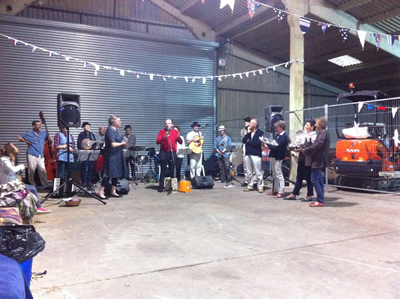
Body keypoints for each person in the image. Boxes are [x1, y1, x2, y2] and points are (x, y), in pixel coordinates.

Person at [0, 143, 40, 222]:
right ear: (10, 152)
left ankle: (38, 206)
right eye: (15, 153)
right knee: (32, 189)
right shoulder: (3, 160)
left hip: (13, 183)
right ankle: (38, 207)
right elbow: (12, 170)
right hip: (8, 185)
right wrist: (21, 166)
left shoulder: (7, 160)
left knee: (32, 188)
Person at [284, 120, 317, 201]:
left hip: (308, 159)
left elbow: (312, 148)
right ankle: (294, 193)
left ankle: (309, 195)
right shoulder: (303, 135)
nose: (305, 126)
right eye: (305, 125)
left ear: (312, 127)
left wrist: (302, 149)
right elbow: (297, 143)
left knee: (308, 178)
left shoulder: (314, 136)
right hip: (302, 158)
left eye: (307, 125)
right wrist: (292, 147)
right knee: (299, 176)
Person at [302, 117, 330, 207]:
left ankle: (320, 200)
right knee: (319, 179)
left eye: (316, 123)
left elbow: (317, 145)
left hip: (319, 159)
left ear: (321, 124)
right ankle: (320, 199)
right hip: (319, 158)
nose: (315, 125)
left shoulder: (322, 133)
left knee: (314, 179)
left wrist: (306, 150)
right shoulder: (322, 133)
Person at [98, 115, 128, 199]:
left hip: (117, 154)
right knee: (108, 173)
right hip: (111, 155)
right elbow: (113, 144)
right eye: (119, 121)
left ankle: (113, 190)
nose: (120, 122)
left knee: (116, 173)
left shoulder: (115, 130)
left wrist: (122, 142)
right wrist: (122, 143)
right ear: (114, 122)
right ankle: (101, 191)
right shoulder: (110, 130)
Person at [17, 120, 50, 188]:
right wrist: (26, 141)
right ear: (34, 126)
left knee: (42, 170)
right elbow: (19, 137)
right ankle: (32, 184)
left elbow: (48, 138)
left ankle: (45, 184)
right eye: (38, 125)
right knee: (31, 170)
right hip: (32, 153)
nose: (40, 126)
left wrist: (48, 140)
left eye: (40, 125)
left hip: (40, 154)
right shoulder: (29, 133)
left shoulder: (43, 133)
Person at [156, 119, 182, 192]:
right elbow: (157, 141)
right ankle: (161, 186)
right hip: (164, 152)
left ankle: (171, 186)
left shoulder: (175, 132)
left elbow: (180, 142)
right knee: (163, 169)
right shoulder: (162, 132)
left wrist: (179, 137)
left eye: (169, 123)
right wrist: (164, 137)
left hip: (172, 152)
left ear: (172, 125)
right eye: (166, 123)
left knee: (172, 169)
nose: (167, 125)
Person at [265, 120, 289, 198]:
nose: (276, 129)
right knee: (275, 174)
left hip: (279, 157)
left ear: (281, 127)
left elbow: (277, 147)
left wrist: (267, 146)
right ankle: (275, 189)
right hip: (274, 156)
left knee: (279, 174)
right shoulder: (278, 136)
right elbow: (274, 144)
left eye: (277, 127)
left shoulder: (284, 137)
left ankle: (281, 191)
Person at [242, 119, 265, 193]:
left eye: (251, 123)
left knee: (258, 171)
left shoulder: (260, 133)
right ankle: (250, 185)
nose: (249, 124)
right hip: (248, 154)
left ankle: (260, 186)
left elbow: (257, 143)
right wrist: (248, 134)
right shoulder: (249, 133)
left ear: (255, 125)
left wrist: (249, 142)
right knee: (249, 172)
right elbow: (244, 140)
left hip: (256, 154)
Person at [54, 126, 76, 198]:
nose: (65, 129)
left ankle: (67, 191)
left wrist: (71, 148)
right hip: (62, 156)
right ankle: (61, 192)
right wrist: (64, 146)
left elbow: (73, 145)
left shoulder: (70, 135)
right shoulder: (58, 134)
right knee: (61, 174)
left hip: (69, 156)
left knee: (68, 174)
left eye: (66, 128)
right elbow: (56, 146)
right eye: (63, 128)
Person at [77, 122, 96, 191]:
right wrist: (83, 150)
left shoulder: (92, 134)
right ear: (83, 127)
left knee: (91, 167)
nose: (88, 127)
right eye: (86, 126)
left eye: (88, 126)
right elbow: (79, 144)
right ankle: (84, 181)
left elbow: (94, 142)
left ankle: (89, 180)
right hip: (84, 153)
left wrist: (93, 149)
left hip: (91, 153)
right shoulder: (81, 135)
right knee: (84, 167)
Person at [240, 116, 252, 187]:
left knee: (252, 165)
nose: (245, 122)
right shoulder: (243, 130)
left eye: (247, 121)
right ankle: (246, 180)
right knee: (245, 165)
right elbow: (243, 139)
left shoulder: (253, 130)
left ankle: (253, 180)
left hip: (251, 147)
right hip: (245, 147)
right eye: (245, 121)